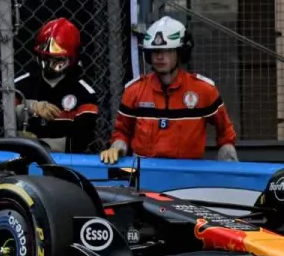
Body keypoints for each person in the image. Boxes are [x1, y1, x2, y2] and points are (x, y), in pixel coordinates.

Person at [100, 15, 237, 163]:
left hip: (187, 173)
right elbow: (122, 131)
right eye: (155, 51)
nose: (159, 57)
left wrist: (229, 162)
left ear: (181, 53)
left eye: (167, 50)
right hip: (145, 172)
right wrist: (117, 147)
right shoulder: (134, 91)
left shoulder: (204, 91)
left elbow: (226, 132)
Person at [13, 17, 100, 153]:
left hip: (65, 162)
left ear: (71, 59)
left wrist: (36, 145)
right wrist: (29, 107)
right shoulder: (20, 86)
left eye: (57, 60)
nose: (48, 65)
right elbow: (0, 122)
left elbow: (82, 140)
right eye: (45, 59)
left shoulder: (84, 93)